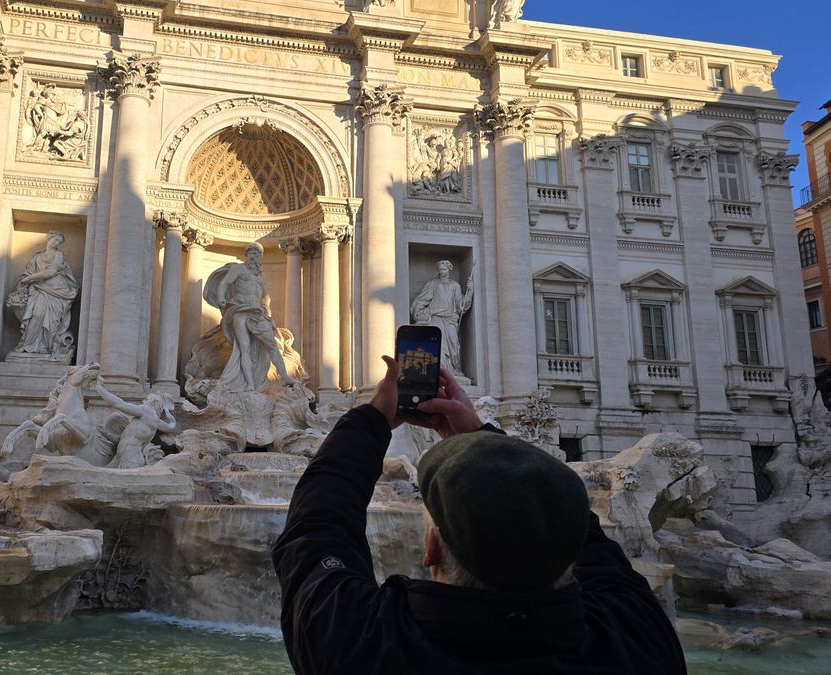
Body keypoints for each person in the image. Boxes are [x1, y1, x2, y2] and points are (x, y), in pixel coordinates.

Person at [272, 355, 687, 674]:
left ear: (430, 547)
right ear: (567, 536)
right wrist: (481, 437)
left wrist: (371, 420)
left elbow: (317, 528)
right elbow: (571, 524)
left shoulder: (360, 648)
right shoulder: (640, 645)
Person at [205, 242, 299, 392]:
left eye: (257, 254)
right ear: (247, 255)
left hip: (257, 313)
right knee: (244, 349)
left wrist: (267, 312)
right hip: (240, 312)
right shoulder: (239, 269)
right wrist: (221, 297)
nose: (254, 256)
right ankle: (249, 384)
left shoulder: (260, 278)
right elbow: (224, 283)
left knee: (272, 345)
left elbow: (265, 297)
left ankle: (284, 376)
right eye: (252, 253)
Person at [11, 231, 79, 356]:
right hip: (39, 289)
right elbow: (28, 272)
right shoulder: (37, 257)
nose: (56, 243)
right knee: (37, 315)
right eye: (55, 239)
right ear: (49, 239)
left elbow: (50, 272)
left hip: (57, 291)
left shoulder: (59, 255)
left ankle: (45, 347)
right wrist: (25, 280)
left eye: (59, 241)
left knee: (52, 322)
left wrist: (29, 279)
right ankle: (28, 345)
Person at [410, 260, 473, 375]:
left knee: (453, 343)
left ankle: (454, 369)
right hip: (436, 317)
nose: (442, 272)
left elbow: (461, 305)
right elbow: (422, 299)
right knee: (439, 343)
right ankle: (439, 369)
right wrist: (417, 311)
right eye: (440, 270)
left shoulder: (455, 285)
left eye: (444, 269)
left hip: (450, 318)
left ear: (449, 270)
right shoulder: (433, 284)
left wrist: (470, 291)